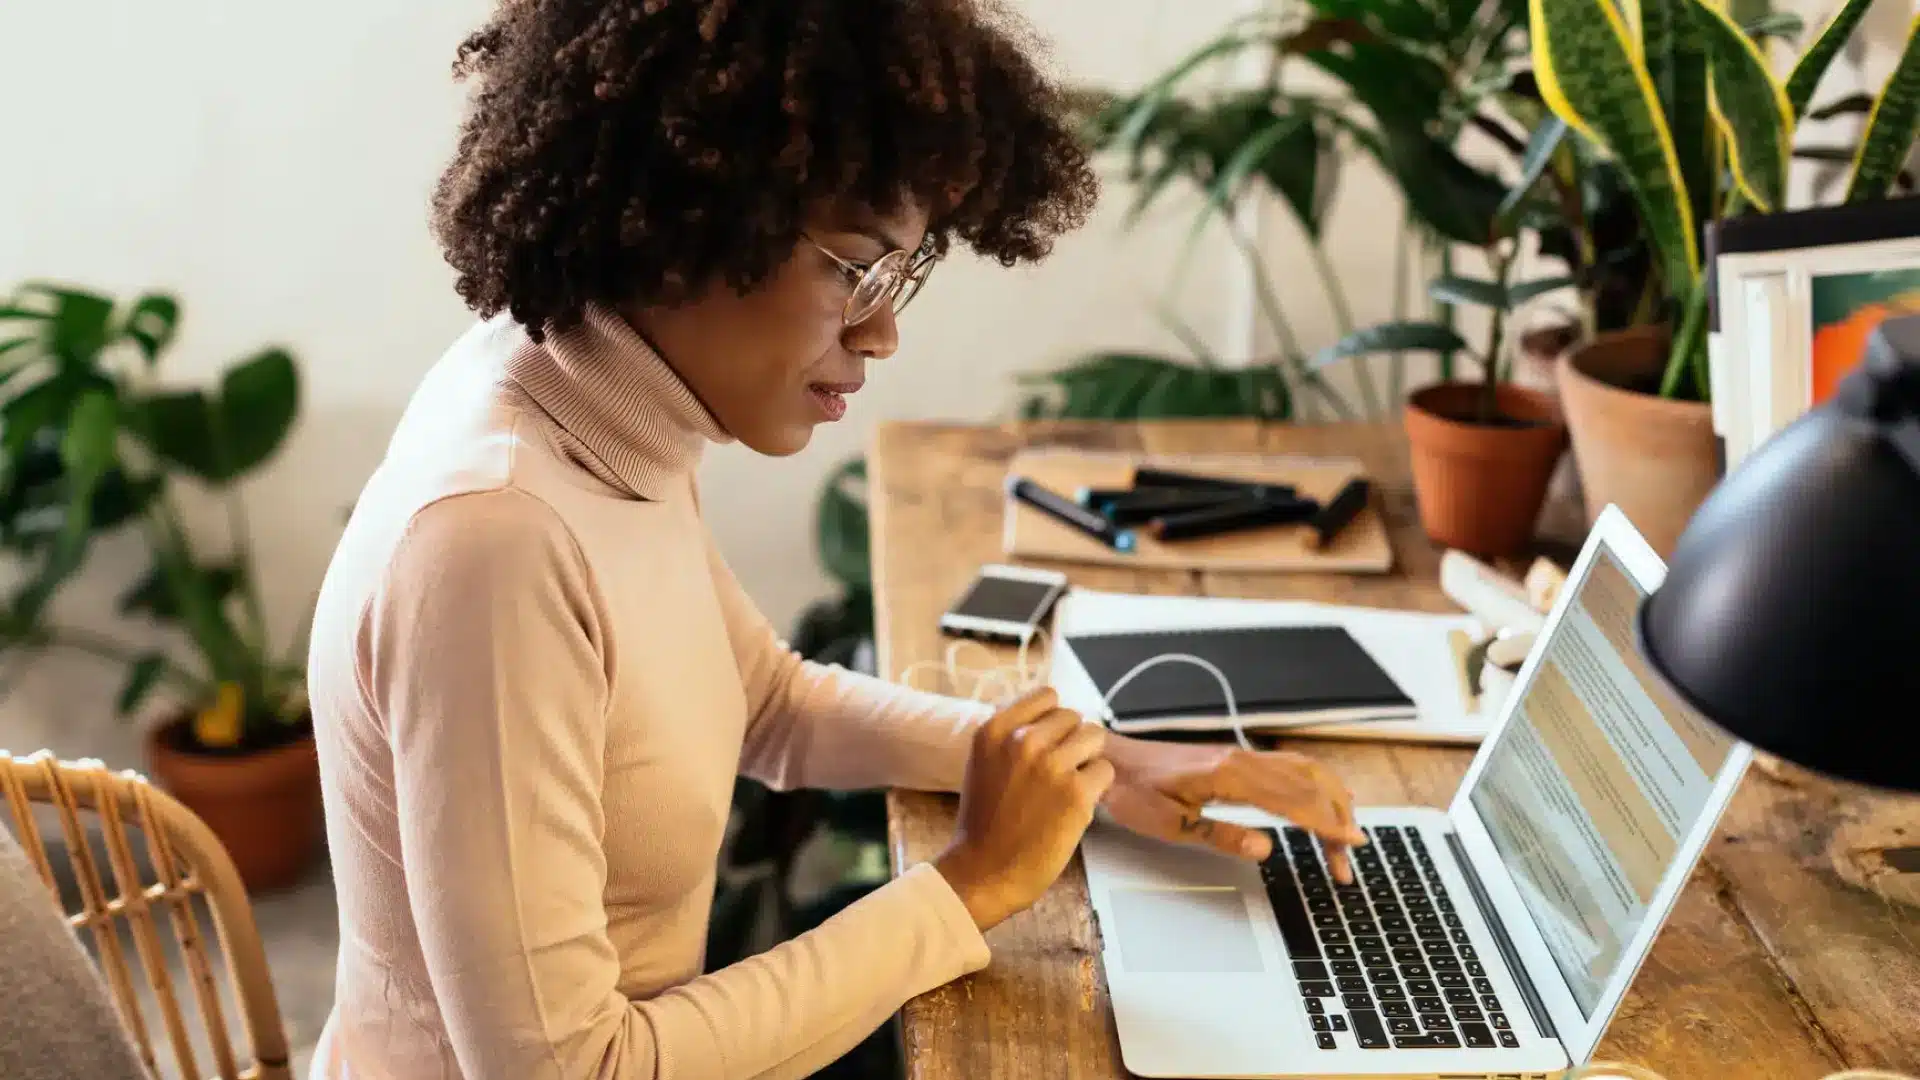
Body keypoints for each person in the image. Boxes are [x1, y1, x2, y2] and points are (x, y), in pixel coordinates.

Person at [306, 2, 1368, 1078]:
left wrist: (1104, 765)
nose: (882, 329)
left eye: (900, 276)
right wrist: (971, 884)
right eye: (855, 269)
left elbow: (766, 701)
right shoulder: (497, 538)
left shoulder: (593, 403)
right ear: (690, 218)